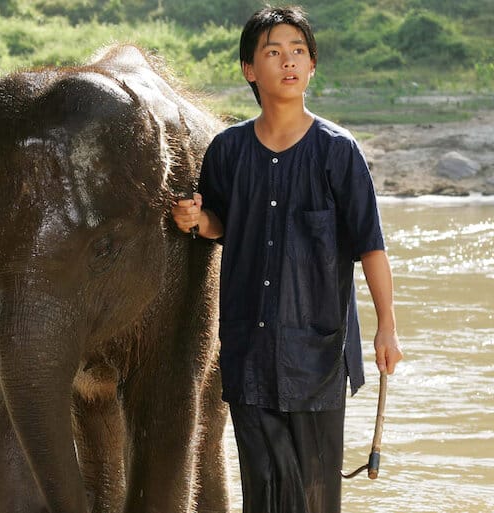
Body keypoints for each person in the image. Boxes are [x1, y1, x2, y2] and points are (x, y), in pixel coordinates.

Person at [171, 6, 404, 513]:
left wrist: (387, 326)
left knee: (316, 497)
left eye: (298, 51)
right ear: (249, 70)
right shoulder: (227, 151)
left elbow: (370, 244)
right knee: (263, 492)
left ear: (313, 65)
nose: (288, 61)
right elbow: (223, 224)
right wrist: (195, 220)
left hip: (317, 356)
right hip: (248, 350)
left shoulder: (338, 152)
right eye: (273, 52)